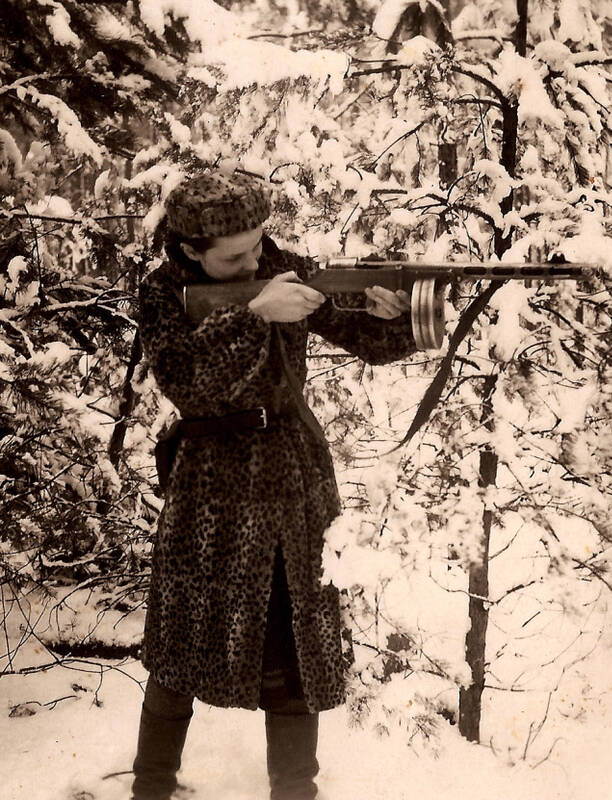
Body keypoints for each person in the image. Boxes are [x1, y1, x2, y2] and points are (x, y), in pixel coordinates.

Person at [131, 170, 416, 800]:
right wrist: (254, 318)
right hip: (207, 489)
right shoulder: (161, 294)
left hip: (292, 485)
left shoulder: (286, 269)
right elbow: (188, 383)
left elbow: (367, 338)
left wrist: (399, 314)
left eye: (259, 244)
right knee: (178, 653)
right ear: (188, 251)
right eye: (236, 256)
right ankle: (149, 790)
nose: (258, 259)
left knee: (295, 660)